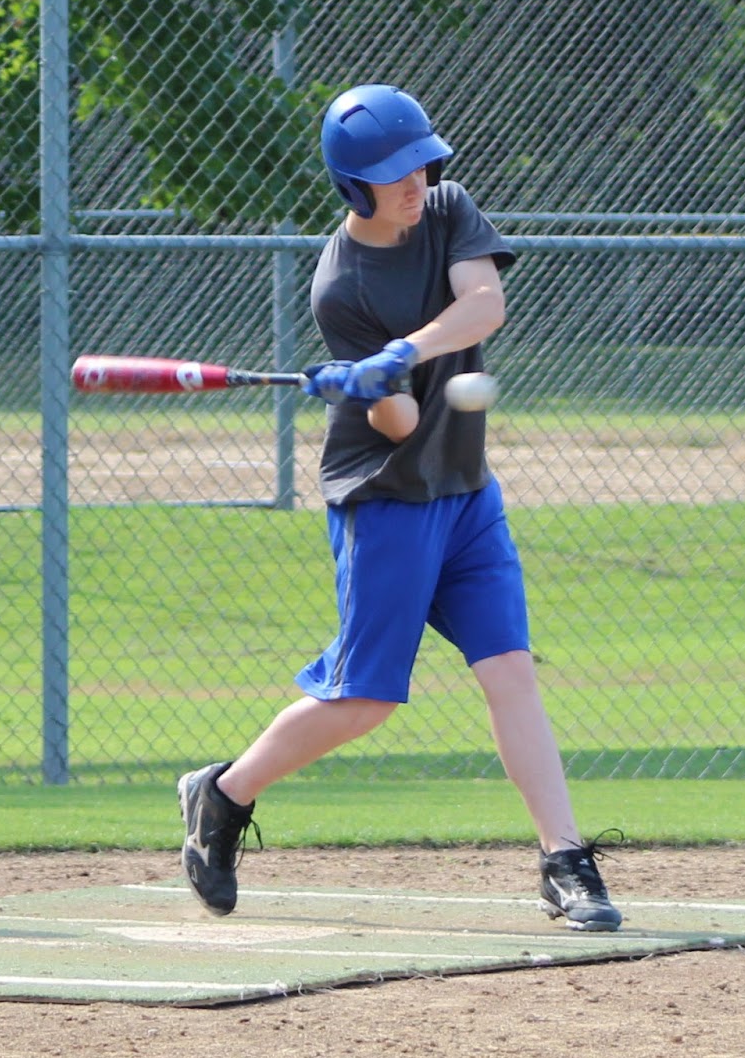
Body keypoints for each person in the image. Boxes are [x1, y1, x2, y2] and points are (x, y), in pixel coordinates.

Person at [177, 84, 621, 932]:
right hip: (386, 501)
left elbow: (484, 303)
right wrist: (377, 385)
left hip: (466, 494)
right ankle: (224, 792)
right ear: (354, 187)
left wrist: (403, 350)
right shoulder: (339, 287)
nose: (414, 180)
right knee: (367, 698)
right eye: (392, 172)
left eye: (420, 160)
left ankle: (563, 860)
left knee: (510, 671)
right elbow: (401, 424)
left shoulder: (449, 210)